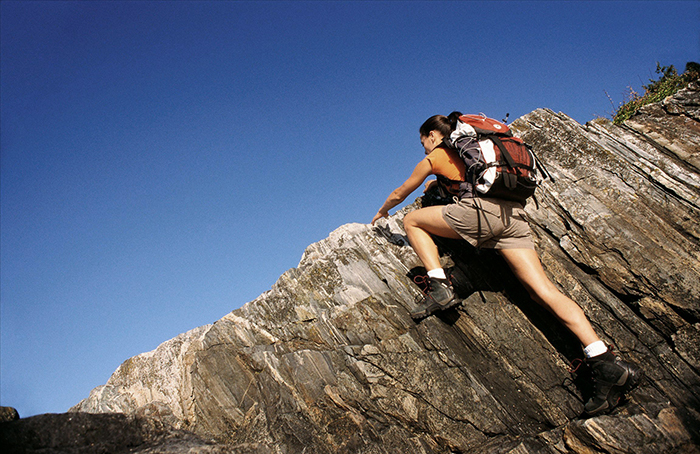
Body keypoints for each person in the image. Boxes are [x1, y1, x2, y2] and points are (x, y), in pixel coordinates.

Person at [371, 112, 642, 416]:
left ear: (433, 135)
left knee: (412, 220)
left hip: (481, 215)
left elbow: (400, 192)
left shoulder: (437, 154)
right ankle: (604, 361)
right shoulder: (479, 150)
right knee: (543, 290)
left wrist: (382, 212)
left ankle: (440, 286)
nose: (424, 148)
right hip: (513, 217)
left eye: (424, 141)